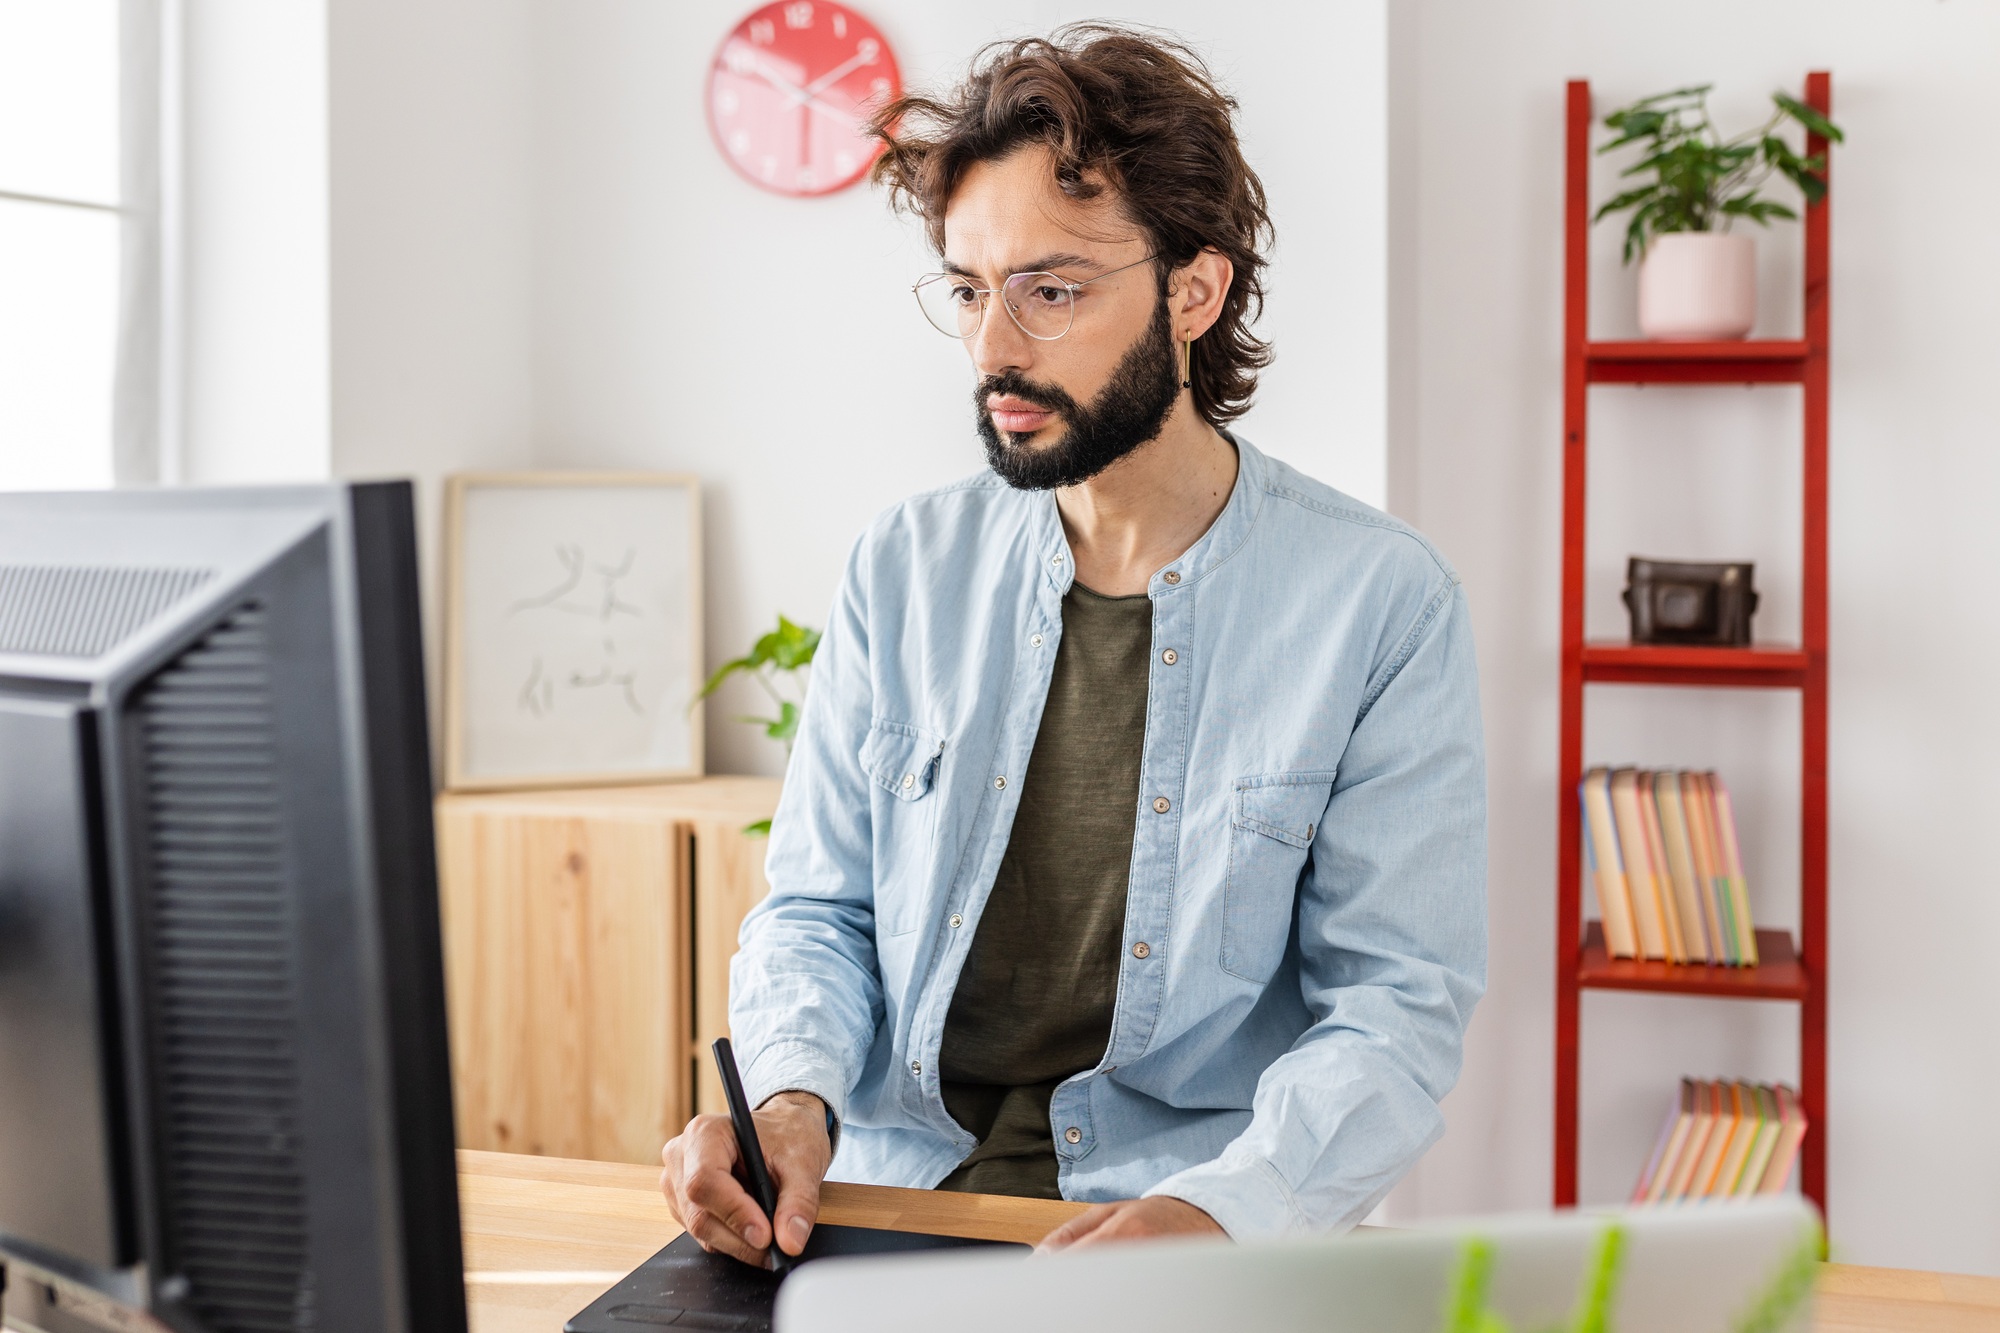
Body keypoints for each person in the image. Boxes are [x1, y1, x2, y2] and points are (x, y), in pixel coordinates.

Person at [660, 24, 1486, 1266]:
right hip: (887, 1205)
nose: (992, 346)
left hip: (1184, 1216)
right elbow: (816, 912)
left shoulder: (1379, 602)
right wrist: (781, 1103)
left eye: (1050, 289)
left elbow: (1394, 1007)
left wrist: (1221, 1211)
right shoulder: (900, 571)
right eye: (968, 289)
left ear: (1192, 292)